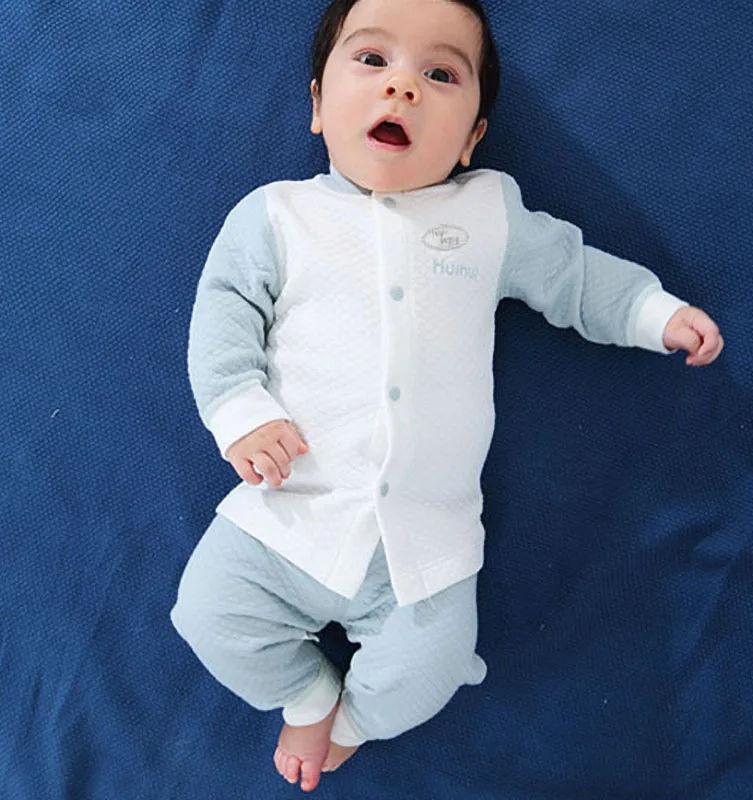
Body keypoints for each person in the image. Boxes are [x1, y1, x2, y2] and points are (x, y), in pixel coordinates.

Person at [170, 0, 724, 792]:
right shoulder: (279, 216)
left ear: (471, 138)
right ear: (318, 105)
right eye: (372, 60)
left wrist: (652, 313)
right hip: (291, 510)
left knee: (429, 670)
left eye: (439, 74)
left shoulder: (487, 214)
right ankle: (306, 692)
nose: (403, 87)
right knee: (207, 613)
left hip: (425, 544)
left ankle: (356, 721)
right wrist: (241, 413)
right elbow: (224, 316)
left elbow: (574, 276)